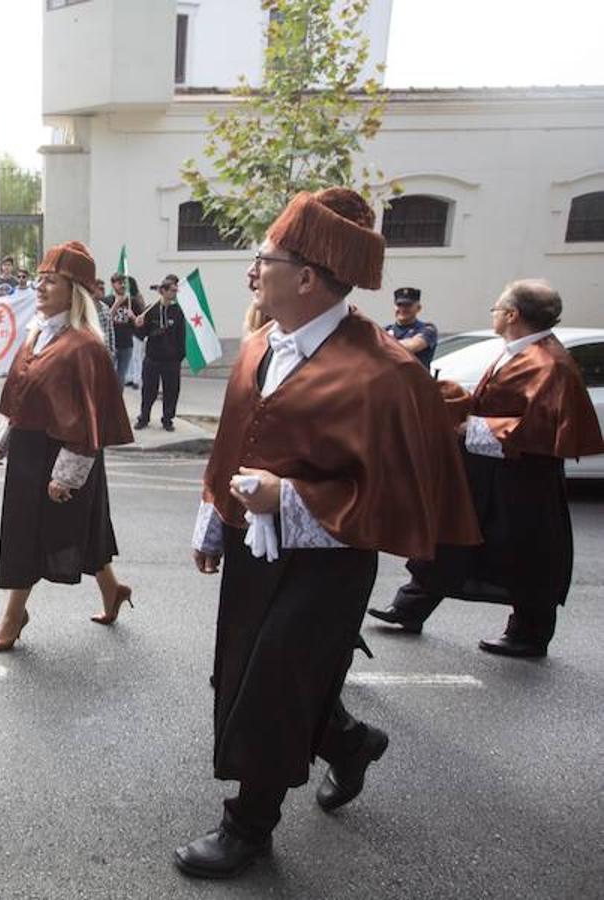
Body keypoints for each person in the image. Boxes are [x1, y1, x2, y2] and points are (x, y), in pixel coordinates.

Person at [177, 187, 481, 880]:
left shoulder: (386, 372)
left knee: (275, 683)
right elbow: (234, 442)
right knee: (247, 673)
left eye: (265, 257)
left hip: (329, 560)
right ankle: (348, 742)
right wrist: (217, 521)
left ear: (307, 276)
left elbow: (400, 493)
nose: (253, 269)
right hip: (258, 552)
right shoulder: (260, 344)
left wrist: (290, 497)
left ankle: (248, 828)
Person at [369, 279, 604, 657]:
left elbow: (540, 427)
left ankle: (529, 633)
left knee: (528, 552)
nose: (492, 312)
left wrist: (470, 426)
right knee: (451, 536)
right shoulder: (519, 351)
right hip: (487, 467)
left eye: (496, 307)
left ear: (512, 315)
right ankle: (409, 608)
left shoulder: (548, 362)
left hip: (523, 478)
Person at [0, 241, 134, 653]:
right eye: (40, 280)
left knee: (33, 533)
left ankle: (14, 616)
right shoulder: (37, 335)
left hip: (64, 455)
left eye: (51, 281)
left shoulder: (85, 346)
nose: (40, 287)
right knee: (74, 531)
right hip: (32, 451)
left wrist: (66, 473)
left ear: (75, 292)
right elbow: (22, 398)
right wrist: (2, 444)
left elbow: (89, 416)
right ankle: (112, 590)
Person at [134, 275, 186, 431]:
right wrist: (138, 325)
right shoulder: (151, 310)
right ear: (163, 291)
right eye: (172, 290)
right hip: (153, 358)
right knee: (149, 390)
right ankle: (144, 417)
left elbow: (181, 335)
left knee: (171, 390)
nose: (175, 293)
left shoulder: (177, 311)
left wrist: (178, 356)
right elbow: (141, 334)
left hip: (171, 361)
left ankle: (167, 419)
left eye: (176, 290)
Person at [105, 275, 146, 387]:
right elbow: (105, 319)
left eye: (124, 283)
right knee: (108, 374)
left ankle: (118, 399)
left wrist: (133, 317)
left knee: (121, 375)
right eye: (119, 282)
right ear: (113, 284)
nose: (122, 285)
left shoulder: (132, 302)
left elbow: (140, 323)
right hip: (111, 344)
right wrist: (117, 303)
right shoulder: (107, 300)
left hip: (127, 344)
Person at [383, 286, 438, 368]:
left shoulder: (427, 329)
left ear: (418, 308)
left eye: (408, 305)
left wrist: (381, 345)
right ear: (394, 307)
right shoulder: (385, 330)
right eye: (399, 305)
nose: (403, 309)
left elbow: (411, 346)